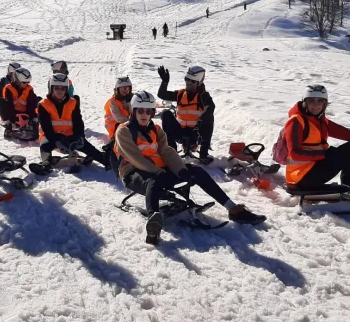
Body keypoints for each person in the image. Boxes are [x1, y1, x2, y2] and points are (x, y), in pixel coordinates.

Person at [115, 91, 266, 244]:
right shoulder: (124, 131)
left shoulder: (156, 130)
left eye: (148, 111)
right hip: (133, 173)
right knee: (153, 181)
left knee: (196, 171)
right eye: (140, 110)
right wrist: (157, 172)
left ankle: (233, 209)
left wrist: (181, 170)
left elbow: (167, 152)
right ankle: (154, 225)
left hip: (159, 171)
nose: (144, 114)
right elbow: (135, 157)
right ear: (134, 111)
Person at [283, 84, 350, 207]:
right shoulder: (296, 122)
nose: (316, 105)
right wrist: (324, 154)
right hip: (301, 178)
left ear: (325, 104)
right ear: (305, 102)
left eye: (320, 101)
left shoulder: (320, 121)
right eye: (312, 101)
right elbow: (295, 154)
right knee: (345, 153)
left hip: (312, 170)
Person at [34, 73, 108, 174]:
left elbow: (78, 123)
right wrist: (59, 139)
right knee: (44, 145)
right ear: (52, 88)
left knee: (87, 146)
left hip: (70, 136)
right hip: (52, 137)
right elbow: (46, 128)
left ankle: (106, 161)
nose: (59, 91)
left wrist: (78, 136)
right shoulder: (43, 104)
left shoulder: (73, 103)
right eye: (56, 88)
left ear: (66, 89)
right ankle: (45, 164)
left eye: (62, 88)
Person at [156, 65, 215, 164]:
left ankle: (204, 154)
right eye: (186, 80)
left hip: (196, 134)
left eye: (192, 81)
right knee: (166, 114)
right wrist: (164, 82)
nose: (188, 83)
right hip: (180, 133)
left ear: (199, 83)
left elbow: (211, 106)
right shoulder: (180, 94)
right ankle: (172, 151)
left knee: (209, 116)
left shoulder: (203, 95)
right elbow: (162, 94)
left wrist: (200, 120)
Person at [0, 65, 40, 140]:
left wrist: (32, 117)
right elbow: (9, 104)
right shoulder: (9, 88)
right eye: (24, 82)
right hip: (12, 113)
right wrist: (12, 120)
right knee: (1, 101)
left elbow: (32, 103)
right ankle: (8, 124)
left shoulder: (29, 89)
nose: (26, 84)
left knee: (38, 100)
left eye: (28, 82)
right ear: (17, 81)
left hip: (26, 113)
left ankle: (34, 122)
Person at [103, 76, 133, 176]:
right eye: (122, 88)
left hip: (128, 125)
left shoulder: (132, 99)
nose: (125, 90)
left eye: (127, 88)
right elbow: (118, 118)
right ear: (117, 89)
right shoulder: (113, 102)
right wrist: (133, 122)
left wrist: (129, 104)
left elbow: (134, 113)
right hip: (115, 127)